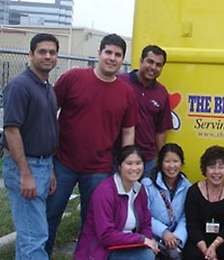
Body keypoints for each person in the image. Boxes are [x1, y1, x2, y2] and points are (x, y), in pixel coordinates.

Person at [45, 33, 139, 256]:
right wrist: (47, 155)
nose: (112, 58)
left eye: (117, 55)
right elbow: (49, 113)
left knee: (92, 222)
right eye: (108, 52)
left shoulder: (126, 92)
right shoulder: (74, 78)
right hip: (62, 163)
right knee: (50, 216)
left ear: (123, 59)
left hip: (99, 168)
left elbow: (128, 131)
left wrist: (127, 165)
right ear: (99, 53)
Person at [1, 33, 59, 260]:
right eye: (42, 51)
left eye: (52, 52)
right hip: (25, 167)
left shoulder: (47, 87)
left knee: (30, 235)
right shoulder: (20, 86)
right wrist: (25, 174)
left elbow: (45, 130)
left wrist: (50, 168)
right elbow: (11, 130)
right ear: (30, 54)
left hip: (43, 165)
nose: (47, 56)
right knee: (35, 237)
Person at [73, 145, 159, 260]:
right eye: (129, 163)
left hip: (128, 246)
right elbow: (106, 235)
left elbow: (146, 223)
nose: (134, 168)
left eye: (138, 163)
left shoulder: (139, 189)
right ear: (119, 166)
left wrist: (146, 241)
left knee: (147, 254)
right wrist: (141, 239)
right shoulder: (105, 192)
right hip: (102, 251)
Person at [118, 45, 173, 177]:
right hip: (118, 155)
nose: (153, 67)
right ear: (141, 61)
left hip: (147, 159)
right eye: (150, 61)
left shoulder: (161, 92)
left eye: (158, 65)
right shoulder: (120, 82)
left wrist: (162, 161)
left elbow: (160, 132)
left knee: (145, 197)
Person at [183, 145, 224, 260]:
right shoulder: (193, 191)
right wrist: (206, 250)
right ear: (205, 169)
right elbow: (192, 225)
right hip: (200, 239)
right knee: (192, 254)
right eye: (211, 167)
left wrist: (214, 246)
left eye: (221, 167)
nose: (216, 172)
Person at [141, 143, 192, 259]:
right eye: (167, 161)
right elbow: (145, 215)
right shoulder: (147, 184)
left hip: (176, 240)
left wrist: (177, 237)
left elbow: (186, 216)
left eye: (176, 161)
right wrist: (164, 233)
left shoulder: (187, 187)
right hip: (153, 237)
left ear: (182, 163)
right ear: (160, 163)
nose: (171, 166)